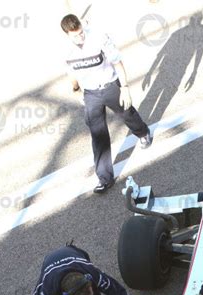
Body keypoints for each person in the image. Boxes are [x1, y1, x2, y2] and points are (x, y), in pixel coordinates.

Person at [61, 14, 152, 194]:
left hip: (111, 86)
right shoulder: (66, 50)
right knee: (98, 134)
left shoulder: (98, 38)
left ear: (81, 26)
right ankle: (105, 178)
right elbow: (71, 73)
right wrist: (77, 90)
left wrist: (124, 87)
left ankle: (143, 132)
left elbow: (117, 62)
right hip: (91, 94)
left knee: (127, 113)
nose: (80, 38)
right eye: (75, 36)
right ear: (67, 35)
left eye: (81, 33)